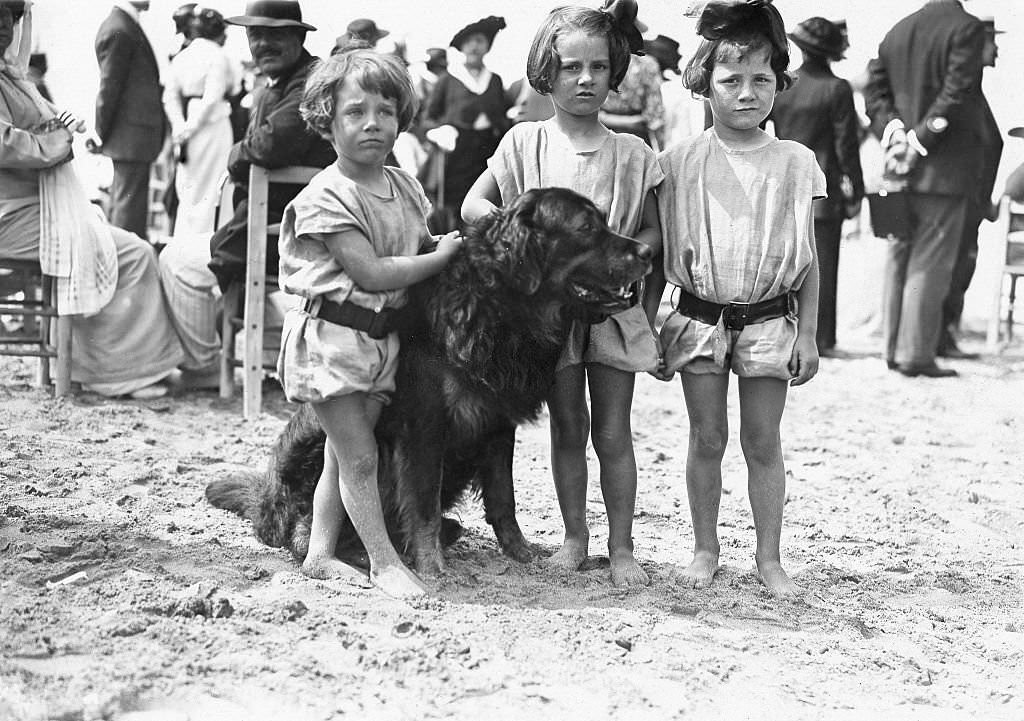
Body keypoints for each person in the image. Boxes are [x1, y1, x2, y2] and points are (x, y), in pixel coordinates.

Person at [462, 0, 663, 589]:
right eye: (572, 66)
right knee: (567, 425)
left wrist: (627, 255)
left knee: (613, 431)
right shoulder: (525, 143)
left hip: (610, 311)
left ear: (615, 71)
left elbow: (652, 230)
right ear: (546, 71)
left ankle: (622, 547)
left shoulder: (632, 152)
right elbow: (474, 204)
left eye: (599, 67)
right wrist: (518, 242)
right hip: (546, 316)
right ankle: (574, 538)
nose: (586, 79)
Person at [652, 0, 822, 599]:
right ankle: (704, 547)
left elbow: (806, 256)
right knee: (706, 437)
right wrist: (650, 324)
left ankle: (769, 557)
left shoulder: (795, 163)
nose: (747, 93)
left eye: (762, 80)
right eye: (731, 80)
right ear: (704, 84)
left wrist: (808, 334)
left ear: (779, 82)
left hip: (770, 321)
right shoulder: (676, 163)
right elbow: (654, 254)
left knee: (762, 440)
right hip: (698, 317)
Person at [279, 48, 462, 597]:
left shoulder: (403, 186)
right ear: (326, 121)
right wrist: (442, 256)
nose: (372, 124)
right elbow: (374, 271)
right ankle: (384, 563)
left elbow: (413, 246)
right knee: (361, 456)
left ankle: (319, 553)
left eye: (385, 111)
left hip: (381, 341)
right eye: (355, 112)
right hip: (332, 338)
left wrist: (439, 246)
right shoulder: (326, 196)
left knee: (343, 455)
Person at [1, 0, 183, 399]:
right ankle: (118, 371)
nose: (4, 26)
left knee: (132, 248)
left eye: (10, 17)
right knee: (130, 253)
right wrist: (56, 141)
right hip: (10, 218)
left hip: (33, 210)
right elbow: (5, 143)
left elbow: (34, 126)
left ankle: (119, 364)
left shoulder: (11, 78)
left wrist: (60, 125)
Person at [157, 0, 335, 390]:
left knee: (174, 260)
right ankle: (271, 356)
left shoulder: (310, 83)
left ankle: (203, 366)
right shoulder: (285, 79)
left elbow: (265, 147)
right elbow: (260, 143)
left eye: (276, 34)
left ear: (298, 36)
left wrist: (235, 152)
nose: (263, 44)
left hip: (286, 235)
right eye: (256, 34)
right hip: (276, 227)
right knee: (186, 249)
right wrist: (245, 149)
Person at [865, 0, 993, 378]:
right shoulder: (966, 28)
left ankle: (892, 348)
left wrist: (895, 134)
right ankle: (916, 354)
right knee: (930, 261)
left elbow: (874, 91)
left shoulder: (896, 30)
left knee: (899, 256)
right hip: (943, 169)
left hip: (898, 165)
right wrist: (919, 141)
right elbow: (957, 91)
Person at [769, 17, 864, 355]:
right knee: (821, 265)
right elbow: (846, 147)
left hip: (782, 186)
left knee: (784, 264)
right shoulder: (837, 89)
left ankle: (785, 331)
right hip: (823, 192)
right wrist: (858, 191)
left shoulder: (784, 85)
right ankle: (822, 338)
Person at [938, 15, 1003, 359]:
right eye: (992, 41)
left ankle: (946, 335)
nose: (998, 50)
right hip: (963, 198)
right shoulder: (967, 97)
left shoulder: (975, 96)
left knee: (961, 268)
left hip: (972, 200)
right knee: (955, 267)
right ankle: (942, 337)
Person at [423, 15, 511, 231]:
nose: (474, 46)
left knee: (486, 200)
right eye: (469, 41)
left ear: (487, 47)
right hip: (455, 150)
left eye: (480, 41)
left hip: (486, 149)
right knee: (453, 205)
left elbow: (502, 116)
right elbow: (428, 117)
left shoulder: (495, 80)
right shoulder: (449, 78)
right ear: (461, 46)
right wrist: (438, 132)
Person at [94, 0, 166, 240]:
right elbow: (109, 87)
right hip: (130, 138)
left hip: (130, 137)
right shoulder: (121, 29)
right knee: (128, 210)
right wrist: (100, 132)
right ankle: (126, 269)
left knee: (124, 204)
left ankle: (121, 265)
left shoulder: (124, 26)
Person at [162, 6, 235, 235]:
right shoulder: (218, 56)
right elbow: (213, 97)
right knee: (212, 188)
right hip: (213, 127)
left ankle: (186, 240)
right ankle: (203, 243)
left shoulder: (182, 57)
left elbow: (169, 96)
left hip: (187, 126)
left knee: (189, 188)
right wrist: (188, 129)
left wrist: (180, 127)